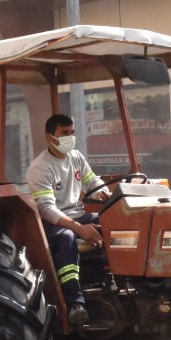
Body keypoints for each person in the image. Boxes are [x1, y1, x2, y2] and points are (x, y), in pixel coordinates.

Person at [25, 113, 104, 326]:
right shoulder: (41, 167)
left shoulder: (76, 157)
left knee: (113, 222)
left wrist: (104, 194)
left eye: (72, 133)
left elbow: (92, 182)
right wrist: (80, 228)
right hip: (54, 222)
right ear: (50, 137)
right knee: (67, 237)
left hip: (77, 214)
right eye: (65, 133)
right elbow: (47, 209)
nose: (70, 138)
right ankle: (75, 304)